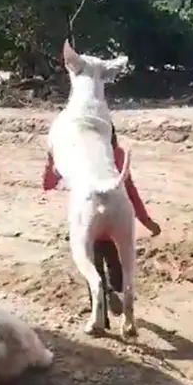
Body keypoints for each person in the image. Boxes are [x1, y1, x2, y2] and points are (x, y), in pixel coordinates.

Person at [42, 125, 160, 316]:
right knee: (119, 273)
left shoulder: (77, 156)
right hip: (116, 227)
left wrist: (51, 161)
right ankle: (115, 296)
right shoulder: (118, 155)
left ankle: (101, 314)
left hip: (89, 224)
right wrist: (146, 221)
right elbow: (129, 190)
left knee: (93, 273)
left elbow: (48, 184)